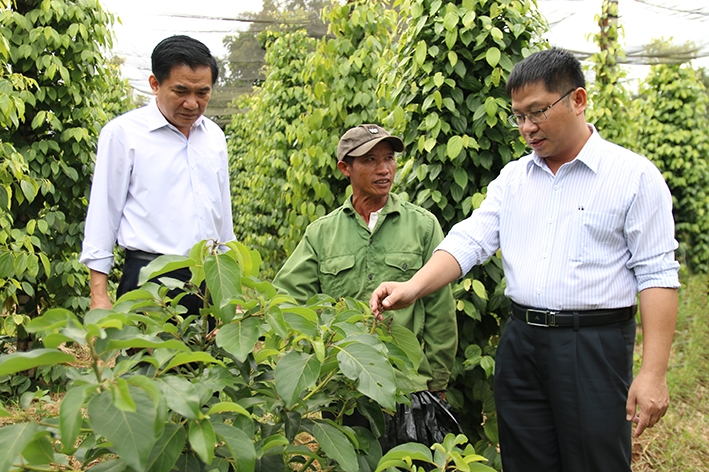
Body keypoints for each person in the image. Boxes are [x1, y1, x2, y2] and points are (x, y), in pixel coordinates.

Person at [369, 48, 680, 472]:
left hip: (593, 345)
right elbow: (471, 240)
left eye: (537, 113)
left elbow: (657, 273)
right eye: (518, 116)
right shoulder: (514, 179)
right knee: (525, 459)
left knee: (595, 461)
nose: (527, 128)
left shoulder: (632, 177)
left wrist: (653, 372)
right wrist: (412, 287)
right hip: (522, 342)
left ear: (578, 100)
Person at [273, 123, 458, 397]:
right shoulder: (322, 234)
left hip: (405, 384)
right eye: (370, 160)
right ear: (345, 168)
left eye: (389, 158)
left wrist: (437, 381)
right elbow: (288, 299)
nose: (384, 169)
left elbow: (440, 310)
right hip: (342, 385)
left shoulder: (423, 226)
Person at [80, 35, 235, 314]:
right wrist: (99, 295)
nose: (192, 103)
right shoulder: (123, 134)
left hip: (210, 278)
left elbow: (222, 214)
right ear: (155, 84)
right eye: (181, 91)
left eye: (202, 93)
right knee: (149, 357)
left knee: (208, 358)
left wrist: (231, 290)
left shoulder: (214, 136)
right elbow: (104, 214)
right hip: (149, 279)